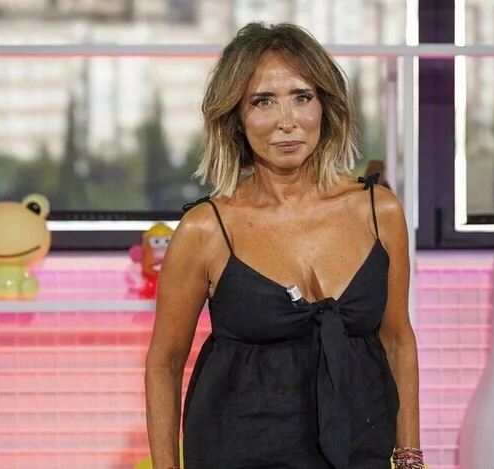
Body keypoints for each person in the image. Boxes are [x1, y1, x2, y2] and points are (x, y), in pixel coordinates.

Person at [144, 22, 423, 469]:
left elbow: (397, 341)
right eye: (263, 101)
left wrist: (410, 458)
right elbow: (165, 363)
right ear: (235, 118)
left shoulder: (379, 211)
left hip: (360, 453)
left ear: (325, 106)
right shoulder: (205, 230)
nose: (286, 120)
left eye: (301, 96)